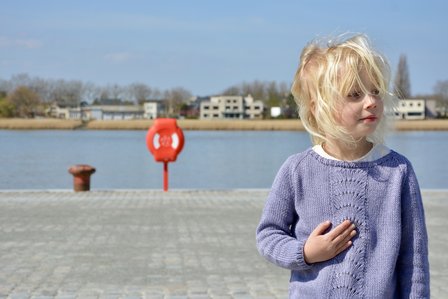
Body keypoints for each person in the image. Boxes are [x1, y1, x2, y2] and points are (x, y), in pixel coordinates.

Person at [256, 34, 430, 298]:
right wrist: (305, 253)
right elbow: (268, 235)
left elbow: (413, 260)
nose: (371, 101)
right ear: (319, 108)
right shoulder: (297, 169)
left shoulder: (398, 171)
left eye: (376, 91)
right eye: (355, 94)